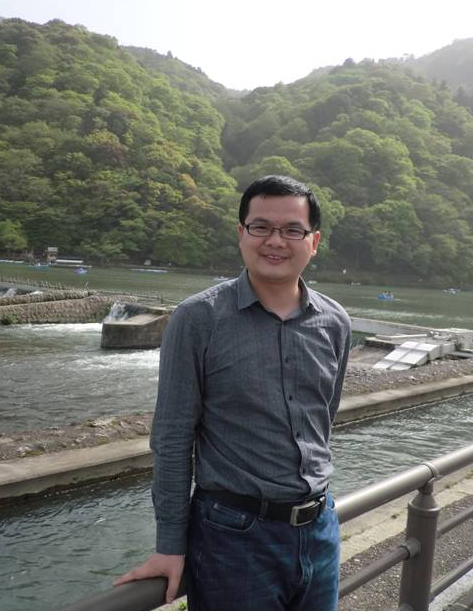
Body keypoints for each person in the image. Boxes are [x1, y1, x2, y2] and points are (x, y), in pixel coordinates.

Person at [115, 175, 352, 610]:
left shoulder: (335, 322)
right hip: (233, 537)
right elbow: (172, 437)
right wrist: (170, 544)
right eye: (261, 227)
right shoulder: (198, 318)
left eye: (292, 230)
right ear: (241, 233)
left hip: (320, 528)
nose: (275, 241)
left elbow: (323, 420)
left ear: (313, 242)